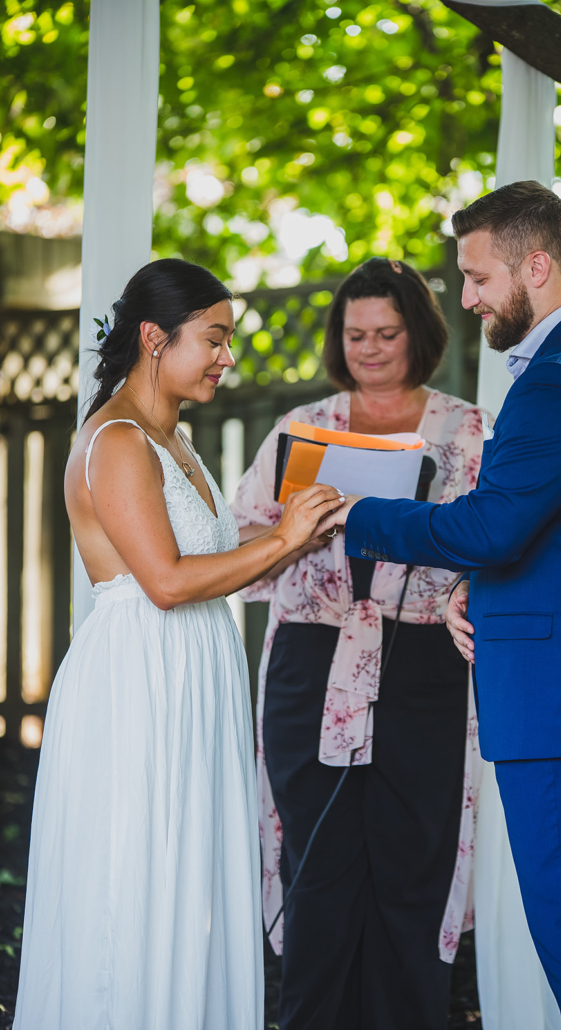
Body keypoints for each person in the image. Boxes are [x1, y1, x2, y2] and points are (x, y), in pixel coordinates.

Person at [322, 182, 561, 1030]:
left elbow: (493, 526)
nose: (466, 296)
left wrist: (353, 512)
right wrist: (471, 591)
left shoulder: (559, 378)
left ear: (535, 264)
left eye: (478, 277)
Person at [13, 259, 342, 1030]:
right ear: (155, 338)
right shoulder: (119, 441)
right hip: (139, 683)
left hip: (192, 672)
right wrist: (285, 538)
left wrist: (301, 530)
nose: (228, 357)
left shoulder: (176, 438)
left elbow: (205, 555)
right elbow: (164, 580)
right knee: (138, 877)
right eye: (215, 339)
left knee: (190, 876)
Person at [230, 257, 487, 1030]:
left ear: (420, 334)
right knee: (318, 859)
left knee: (414, 854)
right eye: (354, 335)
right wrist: (293, 524)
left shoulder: (467, 427)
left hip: (424, 664)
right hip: (313, 661)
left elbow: (495, 541)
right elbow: (242, 542)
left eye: (386, 333)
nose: (369, 348)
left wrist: (470, 585)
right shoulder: (301, 428)